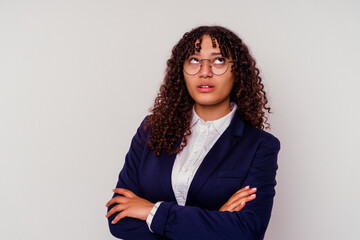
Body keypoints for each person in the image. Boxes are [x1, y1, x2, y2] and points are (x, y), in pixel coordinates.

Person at [105, 25, 280, 240]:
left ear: (238, 72)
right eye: (194, 60)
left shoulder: (260, 146)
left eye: (219, 60)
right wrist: (215, 220)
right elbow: (118, 219)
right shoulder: (152, 129)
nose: (204, 72)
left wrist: (151, 211)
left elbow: (247, 230)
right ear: (182, 70)